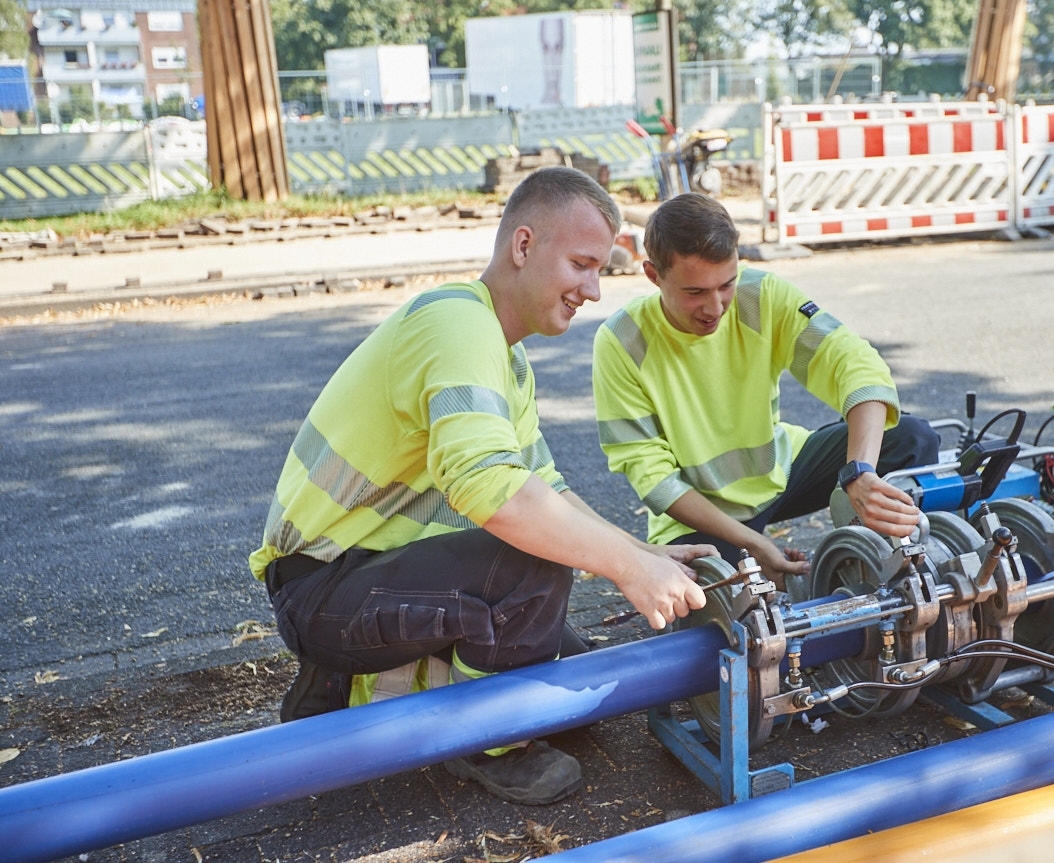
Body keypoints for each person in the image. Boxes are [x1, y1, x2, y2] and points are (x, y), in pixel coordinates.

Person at [249, 167, 711, 807]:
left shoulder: (505, 357)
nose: (594, 290)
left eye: (600, 270)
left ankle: (344, 687)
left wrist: (641, 555)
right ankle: (489, 744)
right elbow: (492, 488)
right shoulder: (456, 326)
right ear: (523, 246)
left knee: (574, 689)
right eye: (581, 264)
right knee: (531, 567)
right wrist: (626, 568)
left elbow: (544, 487)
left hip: (368, 575)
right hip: (321, 588)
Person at [592, 193, 941, 581]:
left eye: (726, 284)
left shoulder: (761, 296)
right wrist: (755, 545)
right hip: (703, 512)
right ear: (653, 276)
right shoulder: (621, 340)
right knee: (721, 597)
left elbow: (854, 363)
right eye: (695, 293)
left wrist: (860, 472)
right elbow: (654, 480)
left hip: (781, 472)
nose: (716, 307)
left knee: (913, 438)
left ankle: (875, 564)